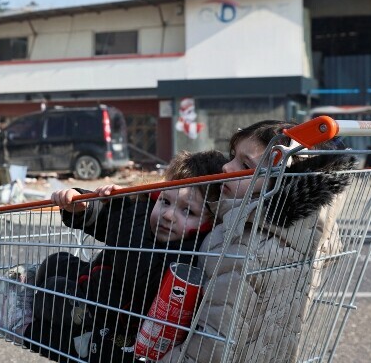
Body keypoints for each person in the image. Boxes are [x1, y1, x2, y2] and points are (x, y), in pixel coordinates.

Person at [160, 120, 354, 363]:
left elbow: (212, 342)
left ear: (281, 180)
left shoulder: (242, 242)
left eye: (244, 164)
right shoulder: (307, 236)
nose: (226, 167)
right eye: (232, 156)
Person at [26, 150, 228, 363]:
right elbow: (106, 222)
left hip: (114, 324)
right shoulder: (142, 216)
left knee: (53, 293)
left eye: (188, 211)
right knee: (56, 262)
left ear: (209, 223)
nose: (168, 215)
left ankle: (23, 319)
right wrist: (82, 205)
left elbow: (140, 274)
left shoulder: (188, 254)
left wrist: (129, 210)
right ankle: (25, 292)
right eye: (165, 202)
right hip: (98, 283)